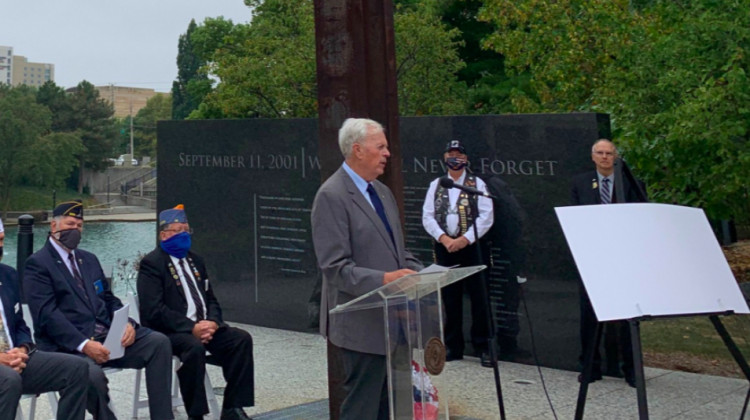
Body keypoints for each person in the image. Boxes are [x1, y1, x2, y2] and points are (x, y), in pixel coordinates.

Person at [311, 118, 423, 420]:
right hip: (360, 324)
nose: (387, 153)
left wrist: (422, 273)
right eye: (381, 146)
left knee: (390, 409)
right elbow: (334, 268)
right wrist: (385, 279)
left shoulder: (382, 193)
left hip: (394, 321)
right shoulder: (331, 196)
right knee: (363, 409)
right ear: (357, 150)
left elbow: (397, 250)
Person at [23, 200, 174, 420]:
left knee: (159, 343)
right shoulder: (38, 264)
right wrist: (84, 345)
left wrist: (128, 324)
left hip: (107, 338)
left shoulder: (89, 259)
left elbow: (109, 299)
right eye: (70, 223)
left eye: (80, 226)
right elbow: (48, 316)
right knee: (88, 375)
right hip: (69, 348)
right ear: (53, 227)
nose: (75, 229)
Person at [137, 204, 255, 420]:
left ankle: (232, 408)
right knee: (193, 348)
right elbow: (153, 310)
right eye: (178, 230)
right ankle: (196, 413)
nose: (184, 235)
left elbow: (210, 298)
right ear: (164, 235)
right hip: (172, 331)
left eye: (186, 230)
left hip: (204, 326)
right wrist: (192, 328)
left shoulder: (195, 260)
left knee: (241, 340)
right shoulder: (152, 264)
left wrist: (213, 323)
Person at [570, 139, 648, 387]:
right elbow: (574, 219)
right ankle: (590, 368)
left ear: (615, 157)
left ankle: (632, 370)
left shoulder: (632, 184)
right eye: (600, 153)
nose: (605, 157)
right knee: (590, 315)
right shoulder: (580, 183)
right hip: (592, 258)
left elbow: (641, 218)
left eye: (609, 153)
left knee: (627, 316)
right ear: (593, 156)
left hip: (624, 258)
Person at [0, 217, 88, 420]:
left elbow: (19, 324)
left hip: (15, 359)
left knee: (76, 368)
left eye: (2, 240)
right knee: (9, 380)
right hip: (5, 371)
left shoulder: (8, 276)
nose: (0, 246)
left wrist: (22, 349)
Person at [421, 140, 494, 366]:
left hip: (472, 248)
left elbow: (486, 215)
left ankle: (483, 346)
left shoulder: (476, 184)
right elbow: (427, 216)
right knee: (450, 299)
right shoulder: (436, 184)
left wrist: (465, 239)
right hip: (445, 249)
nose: (455, 158)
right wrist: (444, 239)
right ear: (445, 158)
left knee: (479, 299)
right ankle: (454, 346)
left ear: (466, 159)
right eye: (451, 154)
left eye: (459, 154)